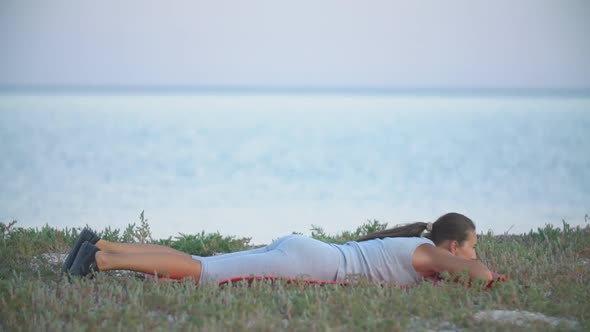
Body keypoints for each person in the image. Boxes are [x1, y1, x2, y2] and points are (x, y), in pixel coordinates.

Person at [63, 212, 499, 286]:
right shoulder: (431, 252)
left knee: (200, 262)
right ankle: (100, 261)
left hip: (310, 251)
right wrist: (481, 269)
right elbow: (479, 277)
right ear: (453, 245)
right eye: (471, 247)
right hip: (313, 261)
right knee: (203, 272)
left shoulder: (417, 247)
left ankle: (98, 245)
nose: (472, 255)